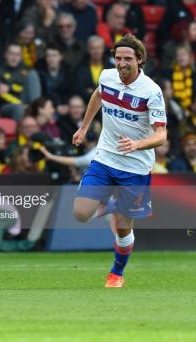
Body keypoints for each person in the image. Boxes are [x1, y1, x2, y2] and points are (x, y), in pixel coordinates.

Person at [72, 34, 167, 288]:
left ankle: (116, 274)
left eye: (127, 58)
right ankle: (110, 204)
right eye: (118, 58)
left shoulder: (151, 91)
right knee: (80, 214)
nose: (121, 63)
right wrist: (84, 127)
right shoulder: (107, 76)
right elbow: (98, 95)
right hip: (105, 157)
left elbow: (161, 134)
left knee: (123, 229)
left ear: (140, 60)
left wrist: (137, 144)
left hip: (135, 167)